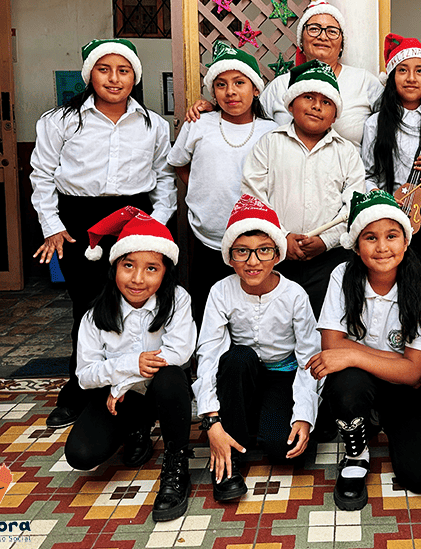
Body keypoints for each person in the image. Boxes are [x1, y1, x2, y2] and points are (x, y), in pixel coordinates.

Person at [31, 39, 176, 430]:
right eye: (104, 69)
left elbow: (164, 178)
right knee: (86, 305)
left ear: (135, 77)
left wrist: (157, 223)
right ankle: (82, 390)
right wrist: (53, 225)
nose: (114, 79)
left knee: (135, 301)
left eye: (123, 71)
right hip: (78, 220)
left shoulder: (153, 125)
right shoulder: (60, 121)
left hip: (134, 218)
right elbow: (42, 175)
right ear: (89, 74)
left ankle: (135, 385)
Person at [306, 190, 421, 511]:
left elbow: (414, 373)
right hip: (358, 382)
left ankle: (381, 417)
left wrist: (354, 354)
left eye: (392, 236)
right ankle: (356, 454)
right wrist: (399, 362)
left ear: (406, 241)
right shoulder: (342, 277)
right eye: (370, 237)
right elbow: (330, 349)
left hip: (403, 390)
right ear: (356, 245)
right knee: (344, 384)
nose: (382, 247)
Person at [187, 0, 421, 148]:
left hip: (353, 191)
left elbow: (403, 112)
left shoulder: (364, 82)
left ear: (341, 43)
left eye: (332, 31)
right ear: (301, 41)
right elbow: (246, 118)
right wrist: (212, 108)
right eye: (314, 29)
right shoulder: (280, 86)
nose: (322, 36)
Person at [63, 207, 196, 523]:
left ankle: (176, 462)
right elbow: (84, 375)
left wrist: (122, 379)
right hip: (121, 401)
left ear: (165, 272)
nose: (137, 278)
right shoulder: (95, 314)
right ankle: (136, 429)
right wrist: (128, 365)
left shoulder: (177, 299)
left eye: (151, 268)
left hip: (159, 393)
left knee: (171, 377)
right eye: (128, 265)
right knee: (81, 454)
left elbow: (179, 352)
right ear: (114, 267)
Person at [192, 195, 321, 504]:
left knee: (285, 451)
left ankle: (263, 421)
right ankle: (230, 460)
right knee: (237, 358)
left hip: (283, 376)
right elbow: (209, 355)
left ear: (277, 254)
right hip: (241, 376)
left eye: (264, 250)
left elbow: (308, 359)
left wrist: (304, 416)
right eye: (242, 251)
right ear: (229, 256)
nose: (253, 261)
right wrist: (211, 421)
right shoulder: (221, 292)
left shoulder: (294, 295)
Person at [241, 59, 365, 317]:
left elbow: (354, 205)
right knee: (277, 321)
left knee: (325, 320)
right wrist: (282, 237)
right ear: (291, 104)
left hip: (329, 260)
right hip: (275, 256)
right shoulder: (269, 144)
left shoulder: (347, 153)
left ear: (335, 115)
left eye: (326, 102)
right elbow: (253, 198)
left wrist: (325, 241)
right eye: (308, 97)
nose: (317, 106)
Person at [168, 41, 278, 326]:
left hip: (255, 237)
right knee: (207, 304)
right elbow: (179, 162)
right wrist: (200, 186)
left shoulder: (271, 131)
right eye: (221, 84)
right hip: (208, 233)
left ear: (255, 89)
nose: (230, 91)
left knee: (251, 307)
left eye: (239, 82)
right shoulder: (199, 123)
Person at [362, 33, 421, 299]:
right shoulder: (375, 123)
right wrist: (381, 200)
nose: (411, 78)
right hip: (389, 213)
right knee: (394, 282)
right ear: (392, 77)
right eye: (403, 70)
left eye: (420, 71)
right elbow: (367, 174)